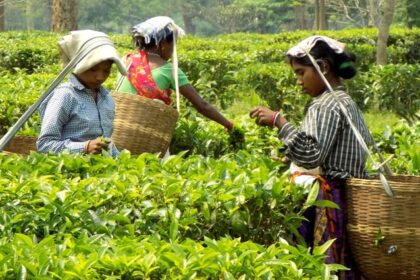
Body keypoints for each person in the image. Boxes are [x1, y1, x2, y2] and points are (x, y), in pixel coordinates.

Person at [250, 36, 371, 279]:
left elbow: (312, 155)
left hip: (329, 200)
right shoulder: (345, 101)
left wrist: (279, 122)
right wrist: (290, 160)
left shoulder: (324, 105)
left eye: (301, 72)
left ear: (323, 67)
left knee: (322, 266)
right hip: (346, 197)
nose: (298, 81)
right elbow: (330, 152)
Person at [116, 16, 235, 132]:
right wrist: (228, 124)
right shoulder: (169, 70)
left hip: (118, 128)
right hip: (147, 135)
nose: (173, 50)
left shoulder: (126, 60)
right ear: (162, 45)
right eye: (173, 44)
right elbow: (202, 105)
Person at [37, 30, 126, 156]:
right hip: (71, 171)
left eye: (106, 71)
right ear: (79, 65)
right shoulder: (65, 96)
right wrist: (84, 147)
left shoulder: (106, 98)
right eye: (93, 69)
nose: (100, 77)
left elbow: (106, 144)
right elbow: (44, 144)